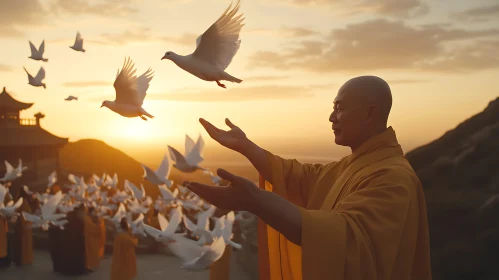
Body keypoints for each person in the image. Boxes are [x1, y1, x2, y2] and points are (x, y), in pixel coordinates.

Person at [183, 76, 432, 279]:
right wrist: (247, 147)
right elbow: (301, 177)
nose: (331, 117)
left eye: (339, 108)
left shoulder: (393, 177)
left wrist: (255, 200)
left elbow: (345, 241)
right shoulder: (353, 165)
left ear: (370, 113)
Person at [13, 187, 33, 266]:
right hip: (24, 225)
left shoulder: (20, 201)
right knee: (23, 243)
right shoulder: (24, 201)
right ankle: (23, 259)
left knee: (20, 242)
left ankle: (20, 259)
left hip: (21, 224)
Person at [84, 207, 101, 272]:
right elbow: (93, 227)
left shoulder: (93, 217)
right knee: (90, 251)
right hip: (89, 237)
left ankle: (93, 263)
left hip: (93, 237)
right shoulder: (86, 218)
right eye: (94, 211)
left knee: (94, 251)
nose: (95, 213)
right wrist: (97, 224)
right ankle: (89, 265)